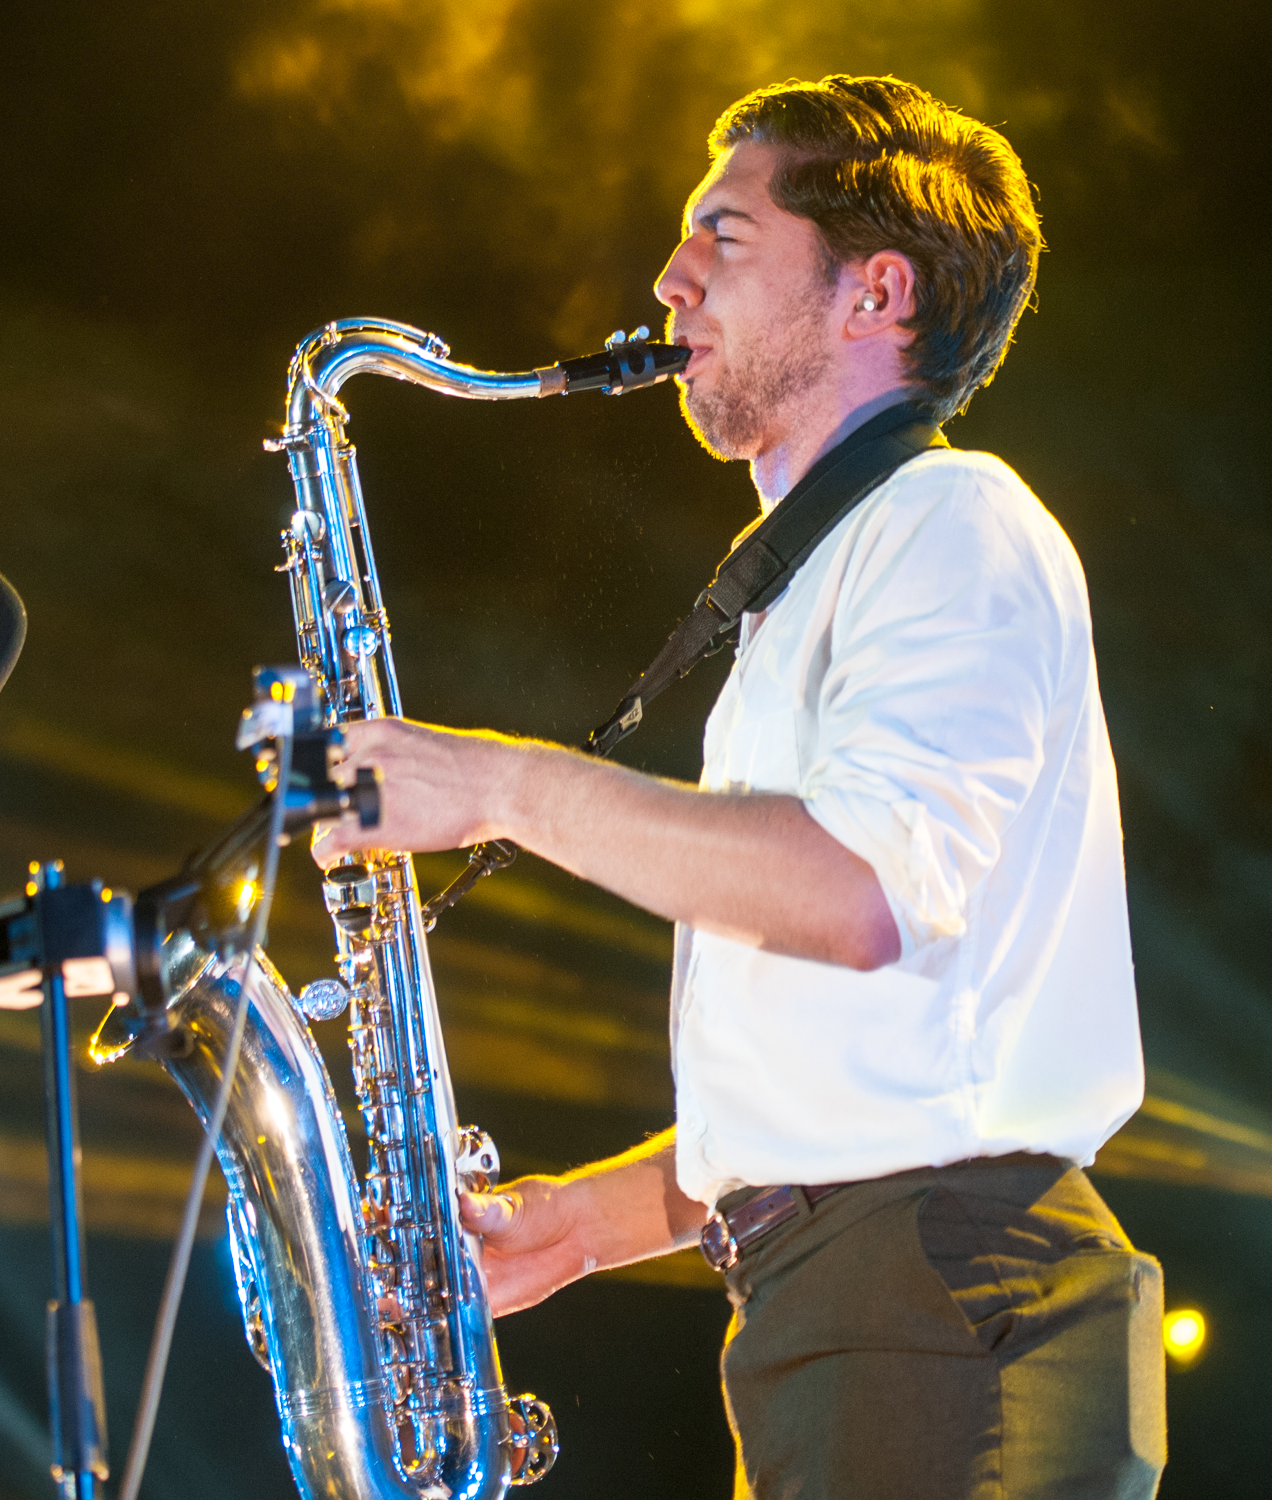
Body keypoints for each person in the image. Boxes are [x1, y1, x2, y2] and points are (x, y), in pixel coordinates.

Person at [313, 75, 1167, 1497]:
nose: (667, 279)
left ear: (870, 293)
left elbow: (854, 896)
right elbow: (857, 1071)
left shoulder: (952, 520)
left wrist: (501, 786)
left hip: (935, 1290)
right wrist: (580, 1223)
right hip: (850, 1297)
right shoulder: (822, 584)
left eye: (723, 234)